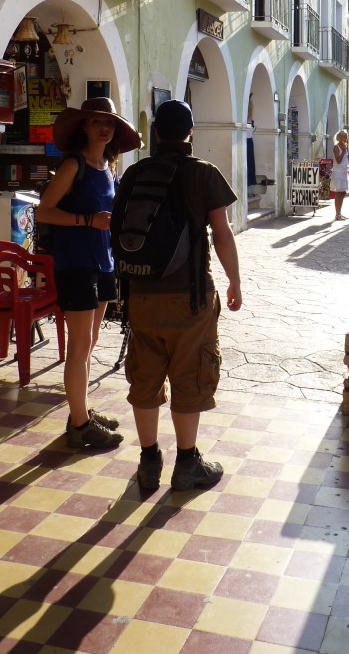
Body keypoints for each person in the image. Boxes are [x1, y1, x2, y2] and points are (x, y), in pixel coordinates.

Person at [123, 100, 242, 492]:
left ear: (157, 133)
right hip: (189, 297)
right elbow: (221, 233)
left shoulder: (136, 172)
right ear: (191, 132)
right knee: (190, 376)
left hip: (141, 295)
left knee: (145, 376)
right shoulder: (203, 173)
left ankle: (149, 460)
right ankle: (187, 463)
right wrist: (235, 281)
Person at [36, 97, 142, 449]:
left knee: (91, 341)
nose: (104, 128)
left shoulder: (108, 166)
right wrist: (87, 220)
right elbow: (44, 212)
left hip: (103, 262)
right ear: (83, 126)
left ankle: (79, 411)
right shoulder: (74, 164)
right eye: (96, 121)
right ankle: (80, 425)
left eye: (109, 122)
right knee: (80, 345)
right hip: (76, 264)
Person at [332, 130, 349, 220]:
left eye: (346, 137)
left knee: (343, 192)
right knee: (338, 193)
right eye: (343, 136)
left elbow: (348, 158)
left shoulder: (345, 147)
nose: (345, 138)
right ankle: (337, 214)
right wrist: (343, 151)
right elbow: (338, 160)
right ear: (339, 137)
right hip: (338, 172)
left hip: (344, 171)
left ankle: (340, 212)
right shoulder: (336, 147)